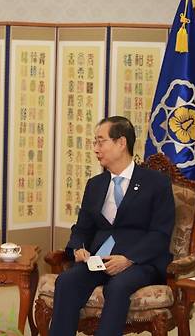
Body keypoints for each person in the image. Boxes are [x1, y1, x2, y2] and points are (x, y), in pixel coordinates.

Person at [50, 116, 175, 336]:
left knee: (117, 288)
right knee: (67, 281)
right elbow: (82, 228)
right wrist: (77, 248)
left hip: (139, 262)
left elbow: (160, 233)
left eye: (101, 141)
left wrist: (129, 258)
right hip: (99, 260)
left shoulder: (156, 183)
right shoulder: (95, 185)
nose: (96, 148)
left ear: (121, 143)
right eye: (94, 142)